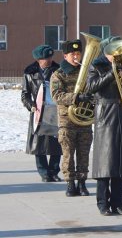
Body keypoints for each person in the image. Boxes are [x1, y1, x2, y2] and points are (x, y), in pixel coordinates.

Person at [86, 36, 122, 216]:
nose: (118, 55)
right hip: (105, 115)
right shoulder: (96, 65)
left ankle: (118, 203)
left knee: (120, 161)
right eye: (115, 52)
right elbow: (91, 87)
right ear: (106, 51)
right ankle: (103, 203)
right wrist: (111, 73)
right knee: (105, 162)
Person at [50, 40, 93, 197]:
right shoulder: (58, 74)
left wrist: (89, 97)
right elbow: (56, 96)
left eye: (78, 53)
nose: (76, 56)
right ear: (65, 55)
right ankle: (70, 183)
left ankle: (82, 183)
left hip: (84, 119)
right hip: (67, 121)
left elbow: (94, 91)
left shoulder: (87, 72)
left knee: (84, 152)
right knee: (68, 153)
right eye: (72, 54)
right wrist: (77, 97)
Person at [21, 45, 62, 182]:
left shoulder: (59, 70)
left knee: (56, 143)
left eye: (50, 57)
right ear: (38, 59)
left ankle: (54, 171)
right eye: (46, 58)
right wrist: (31, 105)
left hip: (55, 111)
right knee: (38, 145)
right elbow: (25, 94)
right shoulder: (30, 72)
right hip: (37, 112)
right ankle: (44, 173)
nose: (49, 60)